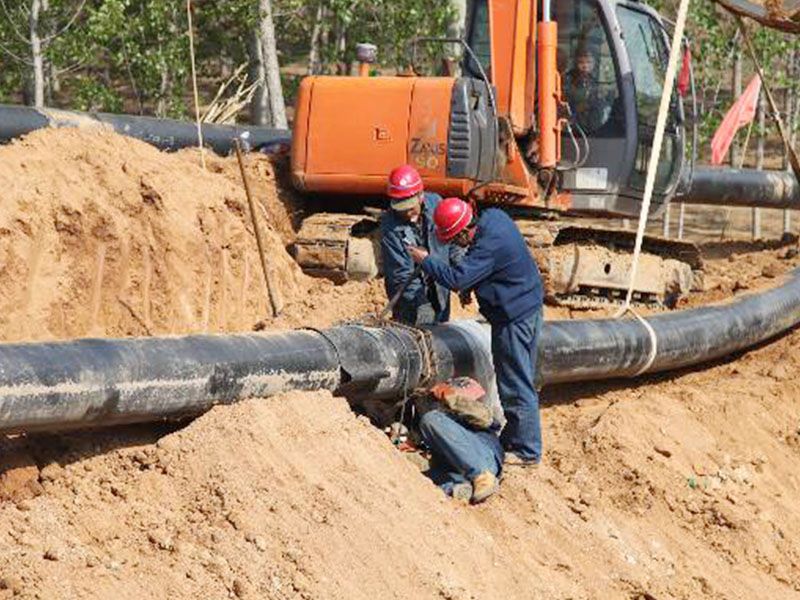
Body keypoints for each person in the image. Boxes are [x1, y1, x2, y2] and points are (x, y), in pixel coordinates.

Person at [407, 198, 544, 466]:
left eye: (452, 239)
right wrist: (475, 283)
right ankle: (516, 439)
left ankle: (527, 451)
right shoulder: (494, 218)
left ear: (461, 232)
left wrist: (426, 260)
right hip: (528, 306)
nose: (453, 244)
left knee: (515, 382)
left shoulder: (486, 247)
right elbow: (485, 263)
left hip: (514, 318)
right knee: (519, 377)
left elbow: (456, 278)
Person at [381, 165, 461, 326]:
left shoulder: (437, 206)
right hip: (408, 300)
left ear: (420, 196)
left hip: (440, 289)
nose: (406, 213)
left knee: (441, 339)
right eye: (401, 208)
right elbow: (401, 274)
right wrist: (421, 304)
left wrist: (461, 269)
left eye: (410, 207)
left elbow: (453, 241)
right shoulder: (391, 226)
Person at [415, 377, 504, 504]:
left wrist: (452, 398)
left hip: (482, 461)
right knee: (418, 476)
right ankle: (457, 488)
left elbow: (485, 417)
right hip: (461, 471)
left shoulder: (478, 414)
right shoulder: (446, 431)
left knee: (431, 419)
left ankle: (481, 476)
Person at [563, 45, 605, 133]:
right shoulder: (568, 79)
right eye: (581, 62)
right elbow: (564, 101)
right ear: (575, 63)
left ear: (594, 63)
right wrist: (578, 107)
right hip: (571, 128)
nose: (585, 66)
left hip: (591, 130)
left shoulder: (594, 81)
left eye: (589, 62)